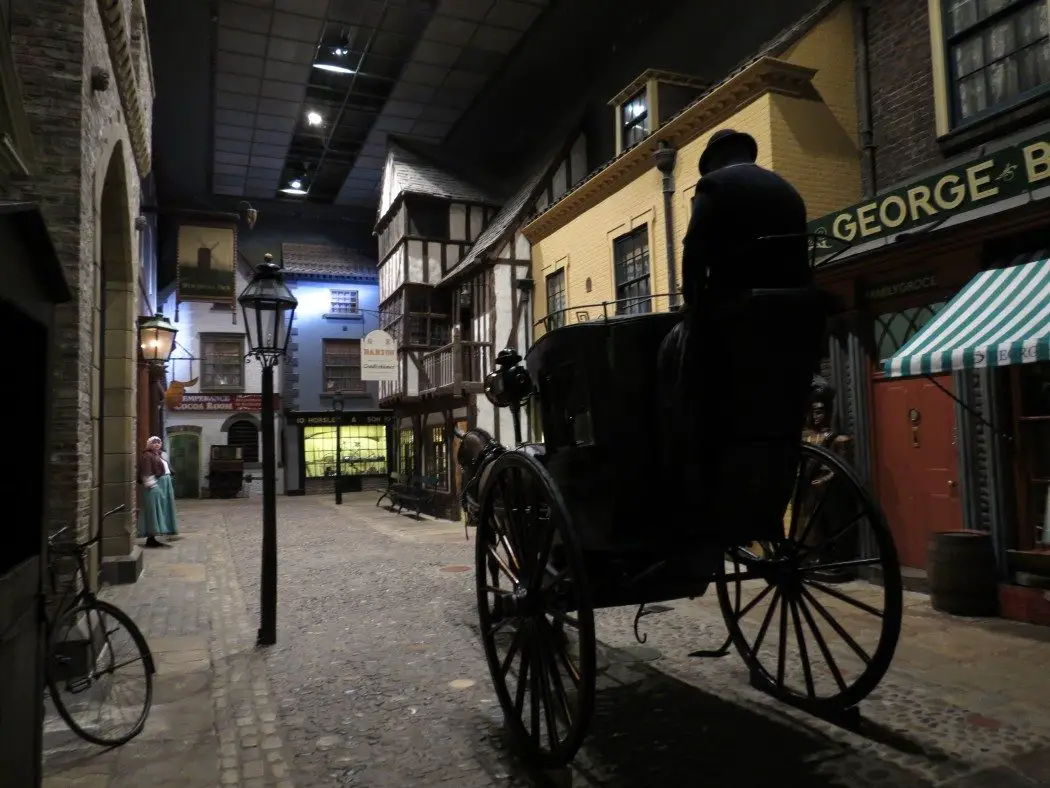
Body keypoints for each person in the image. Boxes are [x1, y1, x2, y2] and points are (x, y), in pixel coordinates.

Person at [137, 436, 179, 547]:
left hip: (164, 484)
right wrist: (150, 483)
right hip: (155, 484)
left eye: (159, 442)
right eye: (154, 442)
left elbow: (166, 468)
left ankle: (155, 536)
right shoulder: (147, 455)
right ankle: (151, 537)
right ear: (149, 444)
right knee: (153, 509)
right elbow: (145, 471)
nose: (157, 444)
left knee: (163, 509)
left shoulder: (160, 455)